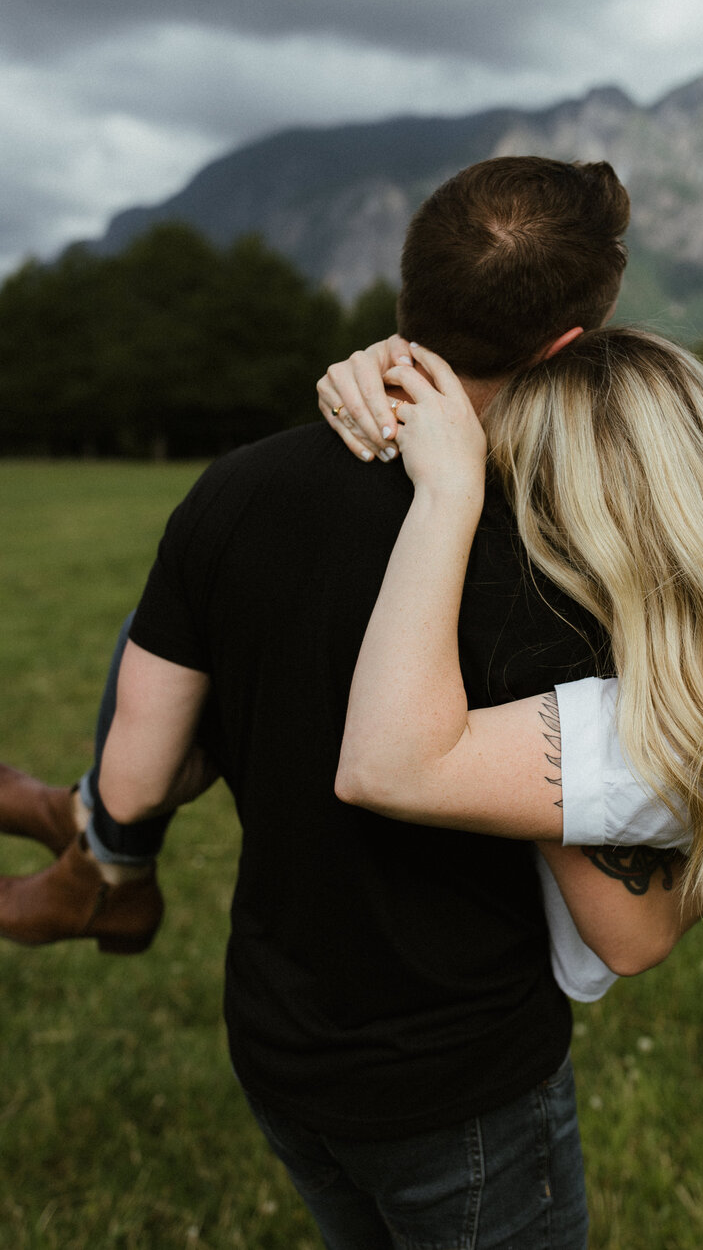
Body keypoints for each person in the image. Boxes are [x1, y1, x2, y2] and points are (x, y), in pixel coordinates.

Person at [2, 156, 666, 1249]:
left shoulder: (234, 489)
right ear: (565, 352)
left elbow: (136, 778)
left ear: (406, 302)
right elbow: (619, 925)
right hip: (460, 1083)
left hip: (279, 1046)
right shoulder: (555, 559)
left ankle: (78, 860)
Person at [324, 332, 703, 998]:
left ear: (591, 527)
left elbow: (630, 936)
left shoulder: (630, 729)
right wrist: (382, 371)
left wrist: (450, 490)